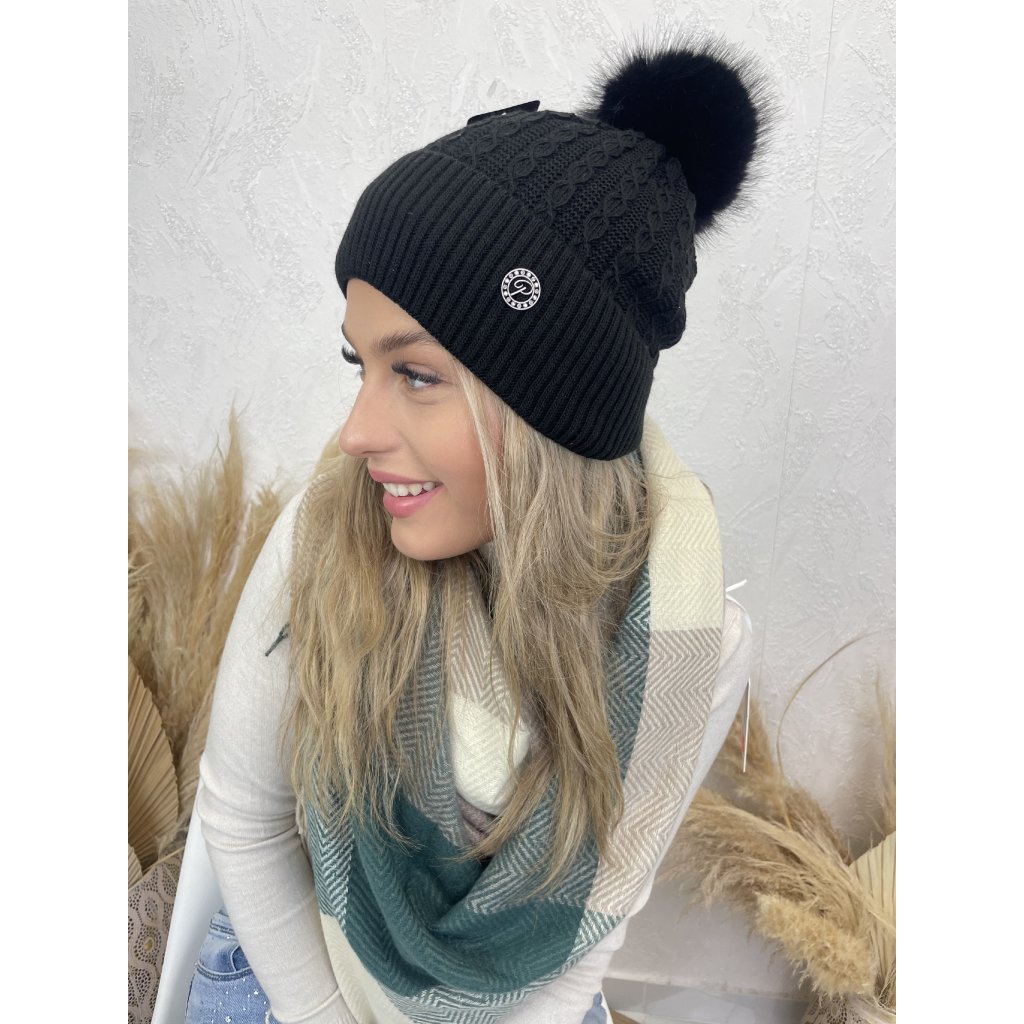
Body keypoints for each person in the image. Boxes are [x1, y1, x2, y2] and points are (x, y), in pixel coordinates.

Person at [187, 38, 766, 1024]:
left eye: (415, 374)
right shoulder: (327, 537)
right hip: (296, 959)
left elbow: (595, 923)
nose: (355, 435)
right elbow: (244, 822)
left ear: (552, 410)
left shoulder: (683, 644)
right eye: (361, 365)